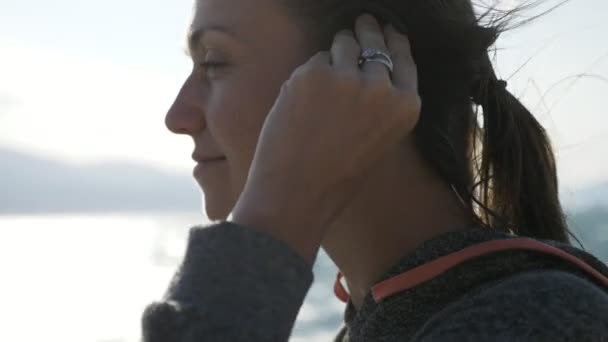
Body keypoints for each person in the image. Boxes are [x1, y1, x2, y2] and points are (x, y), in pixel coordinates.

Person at [141, 0, 608, 340]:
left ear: (362, 73)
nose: (177, 116)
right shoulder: (387, 313)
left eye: (214, 62)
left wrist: (276, 216)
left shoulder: (529, 321)